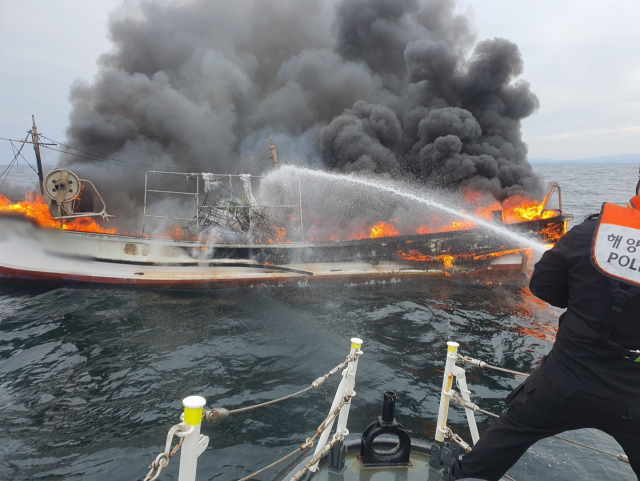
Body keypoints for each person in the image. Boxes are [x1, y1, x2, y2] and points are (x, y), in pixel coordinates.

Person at [449, 184, 640, 481]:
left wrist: (581, 303)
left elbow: (542, 285)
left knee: (492, 452)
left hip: (565, 381)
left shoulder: (590, 233)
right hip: (634, 395)